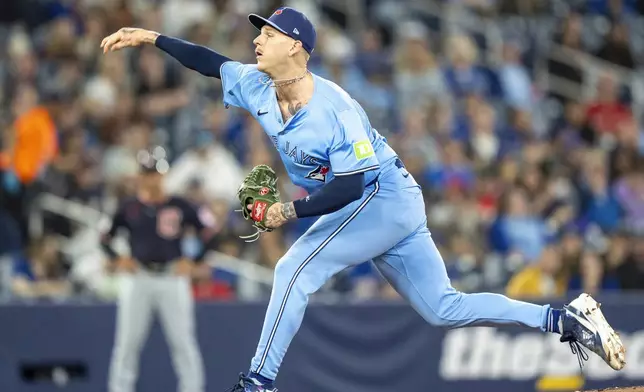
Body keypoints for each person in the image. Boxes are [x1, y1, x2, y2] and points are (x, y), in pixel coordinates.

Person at [100, 8, 626, 392]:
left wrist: (289, 210)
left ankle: (258, 382)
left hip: (383, 196)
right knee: (444, 309)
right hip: (377, 207)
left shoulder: (336, 107)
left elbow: (351, 186)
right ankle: (565, 319)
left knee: (293, 267)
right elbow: (208, 62)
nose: (258, 38)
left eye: (271, 32)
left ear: (298, 48)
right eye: (259, 30)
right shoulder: (257, 84)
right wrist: (151, 37)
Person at [100, 150, 215, 392]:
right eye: (147, 173)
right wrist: (118, 258)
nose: (151, 179)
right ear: (140, 176)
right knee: (127, 344)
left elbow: (209, 230)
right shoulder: (129, 206)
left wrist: (194, 260)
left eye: (155, 173)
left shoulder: (179, 204)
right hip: (139, 277)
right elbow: (105, 236)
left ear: (163, 174)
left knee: (183, 343)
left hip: (172, 276)